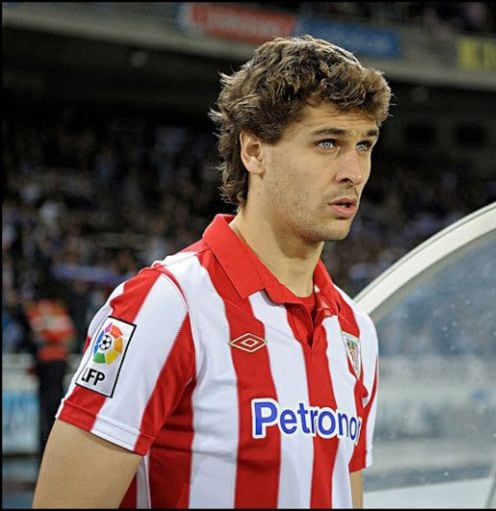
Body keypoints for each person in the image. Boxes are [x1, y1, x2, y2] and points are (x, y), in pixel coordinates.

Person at [32, 35, 391, 509]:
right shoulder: (168, 305)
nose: (354, 170)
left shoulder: (354, 330)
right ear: (254, 151)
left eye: (364, 145)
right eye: (328, 142)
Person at [22, 278, 76, 461]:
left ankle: (47, 453)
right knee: (55, 409)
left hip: (47, 362)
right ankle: (54, 452)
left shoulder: (40, 310)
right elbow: (67, 338)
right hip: (55, 363)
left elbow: (39, 334)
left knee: (47, 410)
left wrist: (49, 336)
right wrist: (56, 338)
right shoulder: (59, 312)